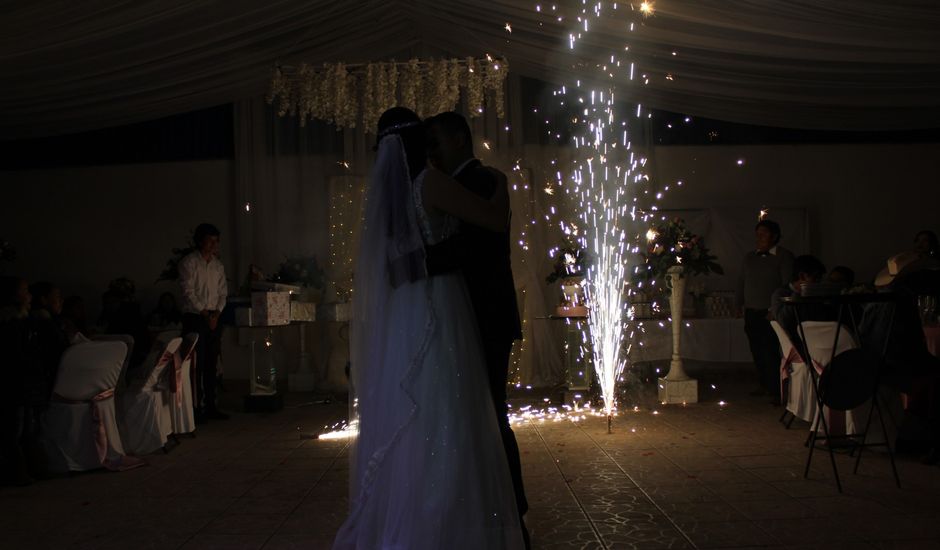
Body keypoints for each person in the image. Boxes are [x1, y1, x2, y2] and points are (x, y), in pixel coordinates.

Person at [333, 108, 525, 549]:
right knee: (451, 411)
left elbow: (392, 264)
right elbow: (493, 221)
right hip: (442, 304)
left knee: (417, 414)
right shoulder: (430, 184)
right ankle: (453, 519)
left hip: (406, 309)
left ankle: (412, 512)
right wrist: (503, 186)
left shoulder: (386, 198)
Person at [424, 111, 530, 546]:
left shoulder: (484, 180)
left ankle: (511, 510)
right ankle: (488, 507)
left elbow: (472, 246)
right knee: (473, 416)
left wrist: (416, 262)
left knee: (490, 415)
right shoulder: (463, 182)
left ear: (459, 139)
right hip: (467, 315)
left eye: (437, 143)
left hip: (484, 315)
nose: (432, 153)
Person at [738, 219, 794, 403]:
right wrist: (740, 304)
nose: (759, 237)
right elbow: (742, 282)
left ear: (774, 236)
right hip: (752, 311)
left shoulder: (783, 256)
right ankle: (763, 383)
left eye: (764, 234)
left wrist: (775, 308)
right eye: (758, 234)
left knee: (771, 350)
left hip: (771, 311)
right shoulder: (749, 257)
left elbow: (787, 286)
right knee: (756, 349)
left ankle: (776, 389)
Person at [179, 223, 229, 423]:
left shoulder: (218, 265)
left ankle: (211, 405)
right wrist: (205, 313)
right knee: (195, 365)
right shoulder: (189, 263)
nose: (213, 245)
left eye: (216, 241)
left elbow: (222, 292)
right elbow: (188, 291)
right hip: (196, 317)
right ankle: (195, 407)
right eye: (210, 240)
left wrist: (216, 313)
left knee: (211, 362)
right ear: (200, 241)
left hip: (213, 318)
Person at [770, 255, 831, 349]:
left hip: (817, 342)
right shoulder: (781, 294)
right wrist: (798, 293)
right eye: (815, 278)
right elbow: (783, 322)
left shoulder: (814, 293)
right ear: (802, 276)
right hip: (795, 346)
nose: (818, 282)